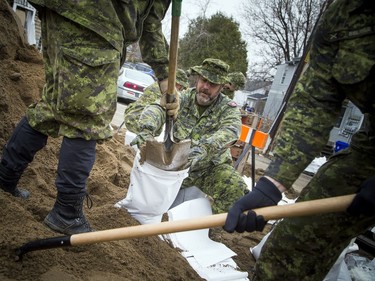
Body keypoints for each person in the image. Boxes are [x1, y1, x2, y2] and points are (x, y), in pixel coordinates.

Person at [223, 0, 375, 280]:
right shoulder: (343, 17)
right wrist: (272, 185)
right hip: (371, 146)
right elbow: (315, 102)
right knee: (292, 247)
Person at [0, 1, 176, 235]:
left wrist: (165, 78)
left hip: (65, 13)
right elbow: (151, 25)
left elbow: (150, 22)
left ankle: (4, 180)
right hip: (94, 18)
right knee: (87, 119)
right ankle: (66, 214)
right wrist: (164, 75)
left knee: (51, 109)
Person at [131, 58, 248, 213]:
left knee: (235, 189)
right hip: (175, 165)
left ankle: (207, 226)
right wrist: (146, 129)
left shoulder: (227, 108)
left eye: (212, 84)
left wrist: (203, 148)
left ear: (221, 87)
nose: (206, 87)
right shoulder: (184, 97)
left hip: (208, 168)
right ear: (198, 79)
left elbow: (231, 131)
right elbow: (158, 108)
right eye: (204, 80)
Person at [124, 68, 189, 135]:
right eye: (180, 86)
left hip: (133, 118)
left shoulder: (160, 86)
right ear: (174, 82)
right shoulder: (163, 91)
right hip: (138, 122)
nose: (180, 89)